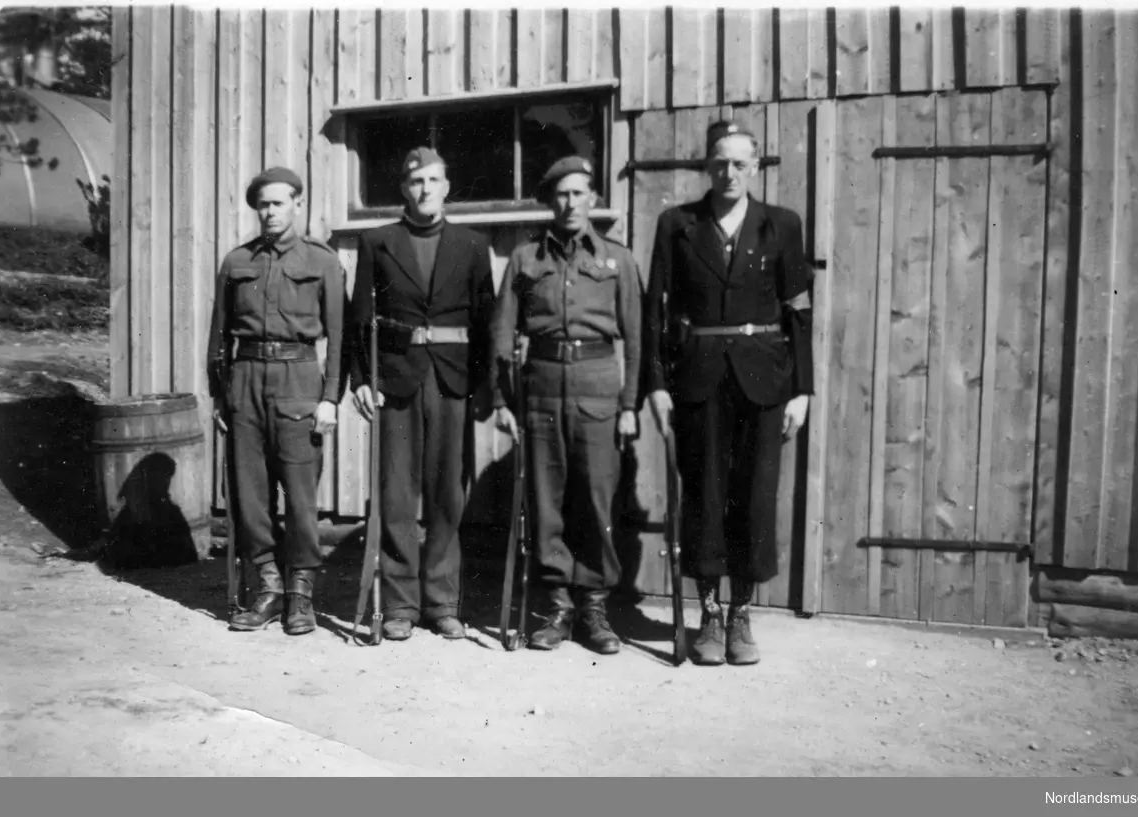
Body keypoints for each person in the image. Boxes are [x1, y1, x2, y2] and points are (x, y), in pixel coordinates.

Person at [642, 121, 814, 666]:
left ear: (756, 167)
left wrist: (802, 390)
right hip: (698, 378)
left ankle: (742, 615)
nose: (729, 172)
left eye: (740, 163)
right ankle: (709, 616)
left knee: (755, 494)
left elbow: (799, 314)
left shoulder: (781, 226)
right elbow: (655, 312)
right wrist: (656, 385)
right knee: (705, 494)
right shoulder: (678, 225)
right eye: (719, 162)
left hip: (764, 380)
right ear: (706, 166)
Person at [490, 156, 641, 655]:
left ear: (593, 200)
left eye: (579, 194)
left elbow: (637, 339)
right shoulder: (525, 259)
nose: (570, 203)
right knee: (547, 498)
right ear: (549, 201)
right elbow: (501, 332)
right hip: (541, 385)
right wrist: (502, 398)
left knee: (597, 498)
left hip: (599, 384)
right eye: (561, 194)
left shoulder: (618, 260)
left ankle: (594, 605)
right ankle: (557, 604)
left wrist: (629, 403)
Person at [348, 147, 496, 642]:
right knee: (396, 493)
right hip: (397, 377)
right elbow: (359, 318)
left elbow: (487, 322)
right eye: (416, 181)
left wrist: (484, 389)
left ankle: (442, 601)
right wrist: (361, 379)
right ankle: (399, 604)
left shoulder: (473, 245)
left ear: (447, 186)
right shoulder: (378, 242)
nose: (425, 189)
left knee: (447, 494)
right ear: (405, 189)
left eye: (434, 180)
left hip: (452, 379)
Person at [207, 166, 346, 636]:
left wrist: (330, 398)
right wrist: (219, 395)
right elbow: (219, 335)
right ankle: (268, 585)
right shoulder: (236, 261)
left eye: (278, 203)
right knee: (249, 494)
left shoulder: (322, 262)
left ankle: (301, 592)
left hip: (299, 379)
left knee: (301, 495)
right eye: (262, 204)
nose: (269, 212)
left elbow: (341, 340)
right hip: (245, 379)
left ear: (298, 205)